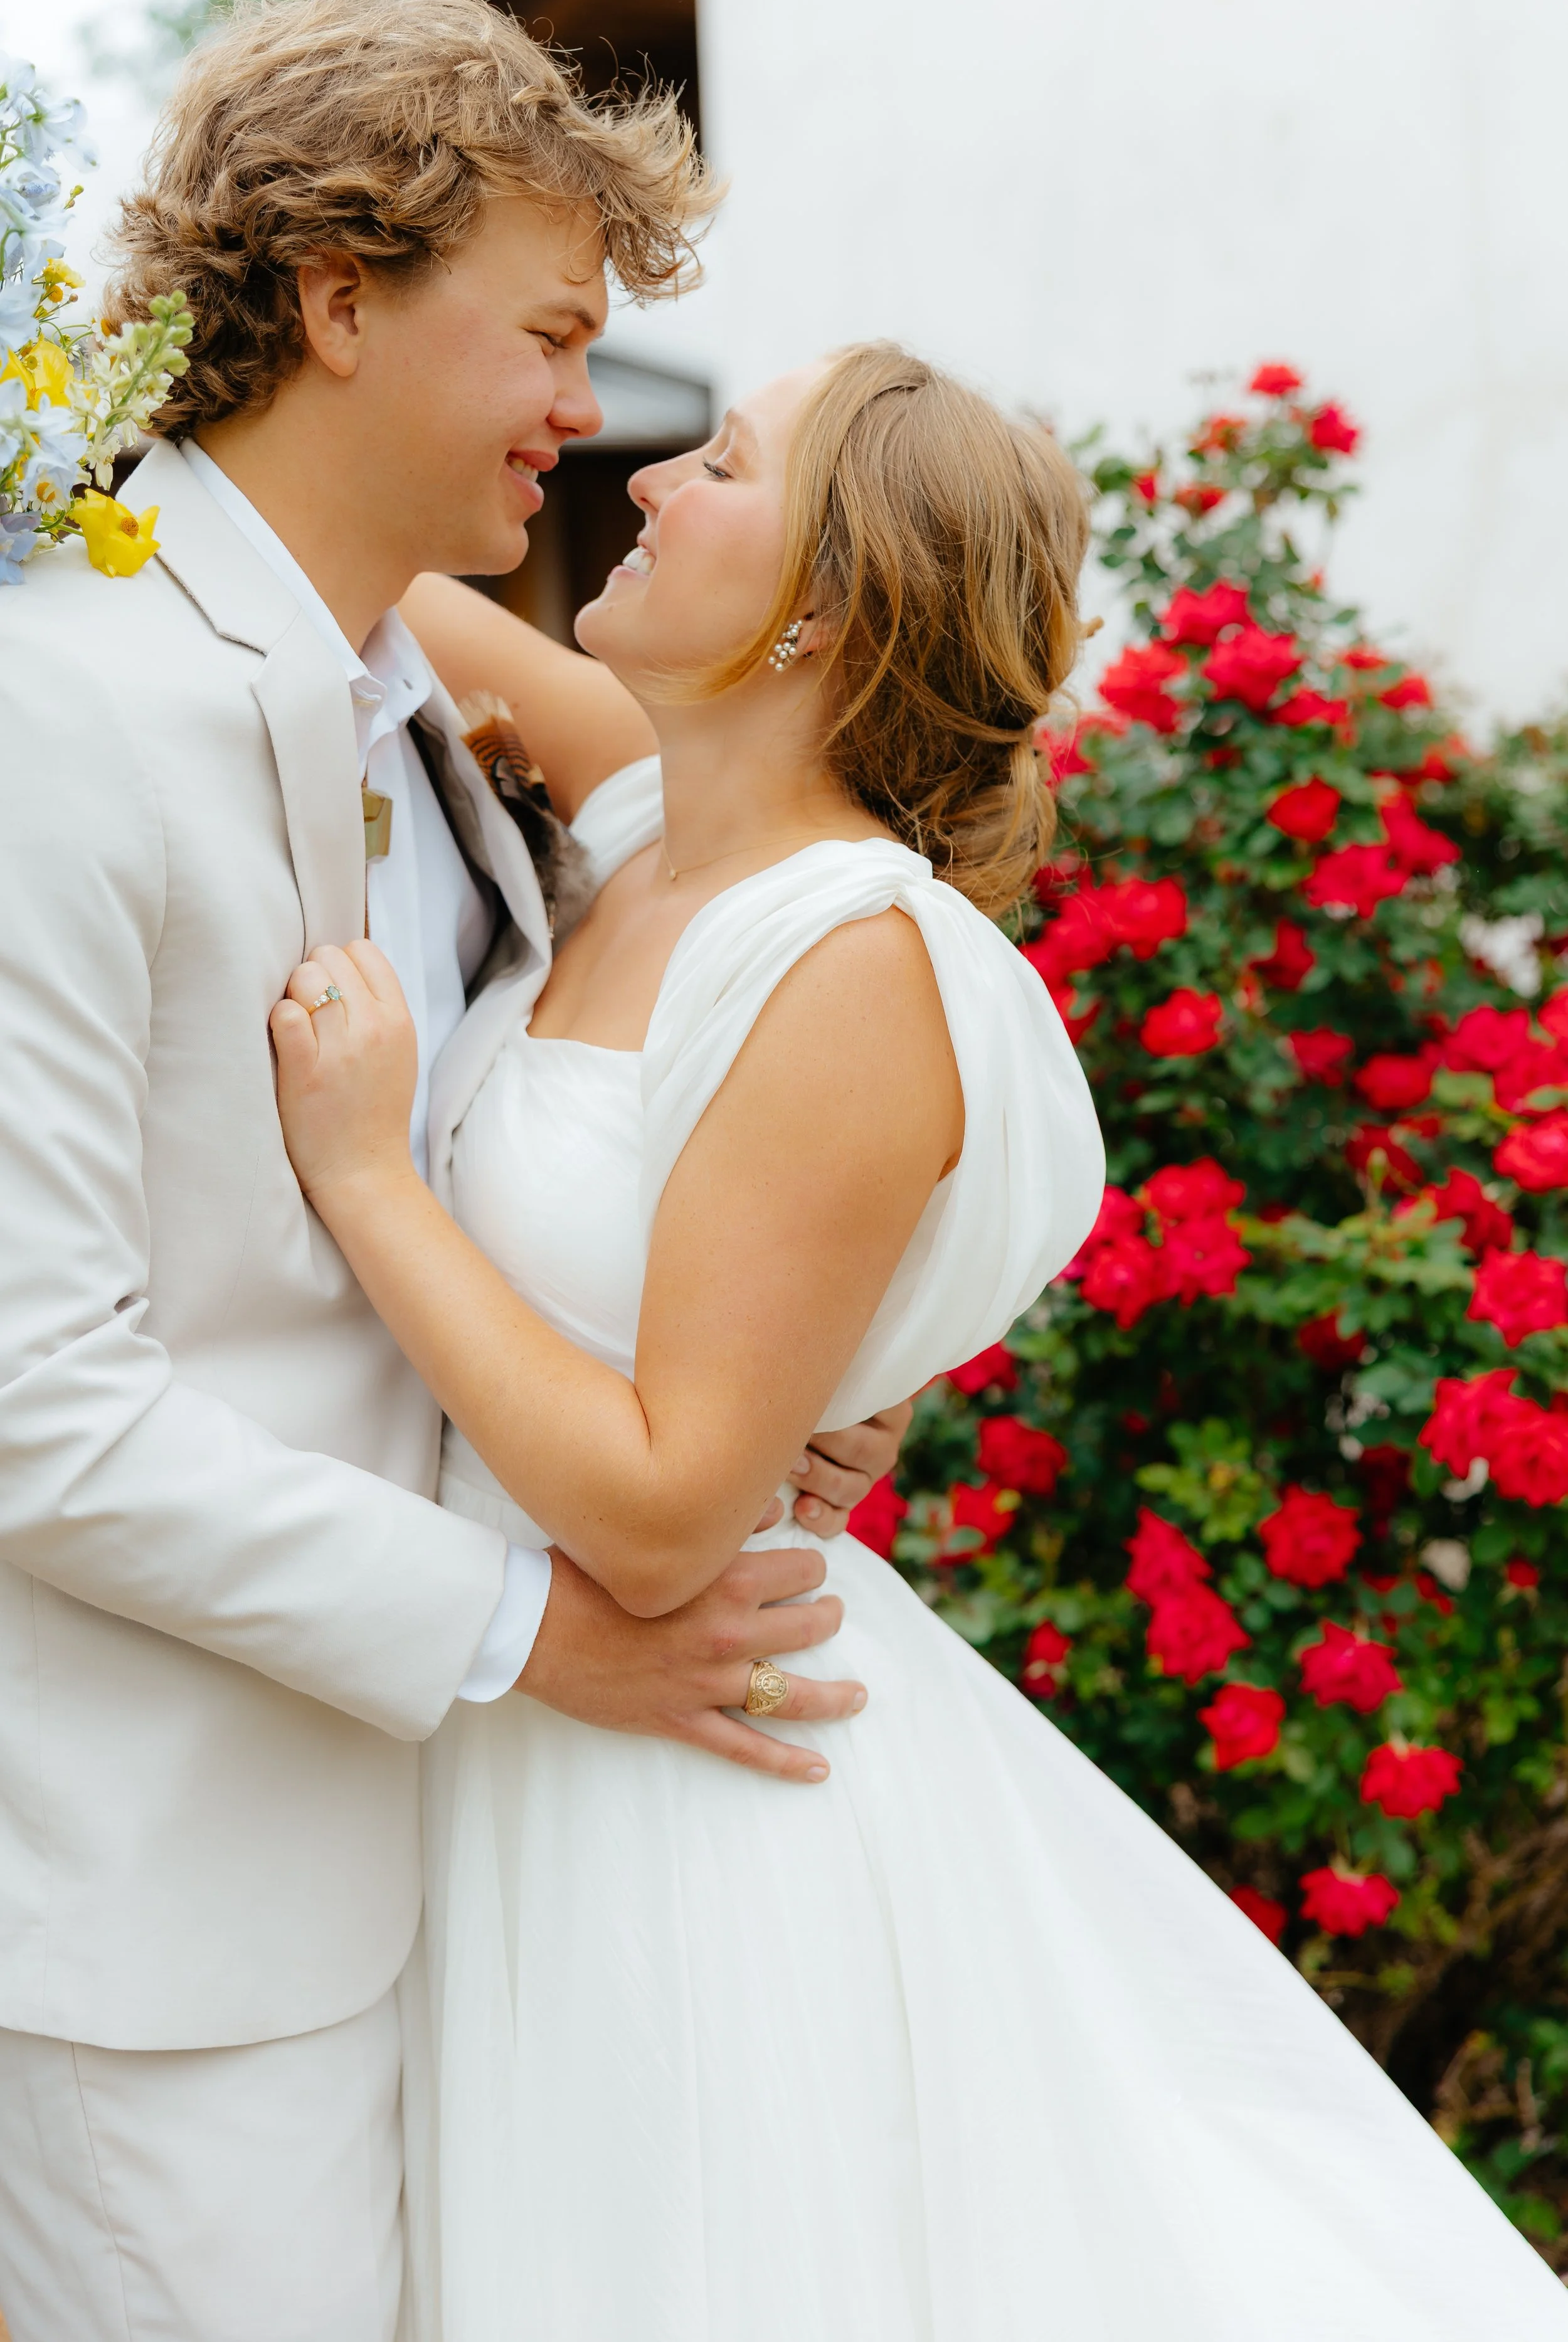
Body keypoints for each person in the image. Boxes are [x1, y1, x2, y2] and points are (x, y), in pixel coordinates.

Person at [272, 341, 1568, 2341]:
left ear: (823, 605)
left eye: (713, 464)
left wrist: (372, 1177)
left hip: (686, 1788)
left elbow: (661, 1509)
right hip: (522, 1750)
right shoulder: (647, 831)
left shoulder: (843, 952)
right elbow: (362, 565)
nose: (639, 485)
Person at [0, 0, 908, 2336]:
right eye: (547, 336)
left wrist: (725, 1367)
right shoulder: (62, 713)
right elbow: (35, 1401)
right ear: (334, 302)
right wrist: (541, 1632)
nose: (586, 415)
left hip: (455, 1875)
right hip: (175, 1922)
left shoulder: (412, 690)